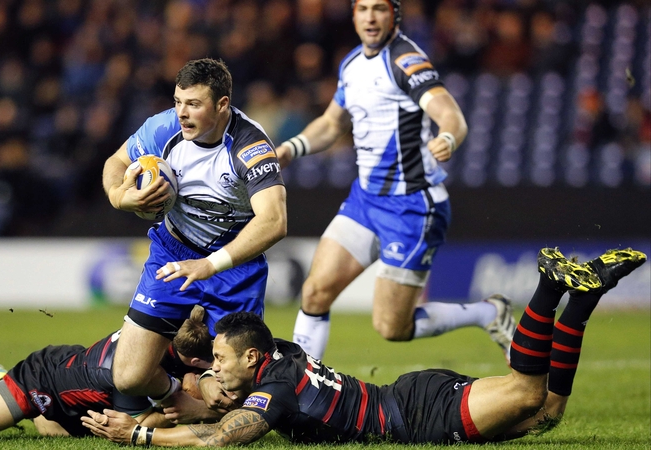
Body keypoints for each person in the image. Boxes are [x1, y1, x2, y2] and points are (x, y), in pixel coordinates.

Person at [81, 247, 646, 446]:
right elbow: (215, 387)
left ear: (252, 359)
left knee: (529, 397)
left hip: (421, 416)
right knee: (547, 416)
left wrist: (142, 433)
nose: (216, 371)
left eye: (222, 363)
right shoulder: (278, 354)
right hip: (410, 396)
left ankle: (549, 288)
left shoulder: (273, 390)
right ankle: (584, 300)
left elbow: (218, 437)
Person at [275, 0, 510, 360]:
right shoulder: (352, 62)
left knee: (391, 327)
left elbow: (451, 114)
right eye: (363, 8)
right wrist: (292, 148)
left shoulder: (404, 60)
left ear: (394, 15)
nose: (371, 17)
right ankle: (302, 388)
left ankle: (487, 313)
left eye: (380, 9)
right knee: (315, 292)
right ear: (353, 15)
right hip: (366, 201)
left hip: (412, 206)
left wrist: (447, 137)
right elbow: (332, 123)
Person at [101, 58, 287, 409]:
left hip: (234, 266)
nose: (182, 113)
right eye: (178, 102)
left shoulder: (250, 147)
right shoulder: (163, 128)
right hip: (172, 253)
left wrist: (210, 264)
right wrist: (119, 197)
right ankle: (188, 398)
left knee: (235, 397)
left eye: (194, 104)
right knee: (129, 377)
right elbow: (116, 162)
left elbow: (275, 220)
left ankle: (209, 395)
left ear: (222, 105)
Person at [0, 306, 219, 439]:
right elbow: (135, 426)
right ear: (191, 361)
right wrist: (202, 410)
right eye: (208, 366)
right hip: (40, 380)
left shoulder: (169, 340)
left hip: (81, 393)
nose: (212, 370)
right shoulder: (136, 367)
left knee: (54, 432)